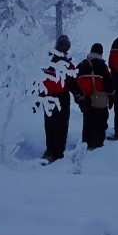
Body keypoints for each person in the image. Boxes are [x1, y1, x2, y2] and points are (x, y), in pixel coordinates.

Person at [37, 34, 77, 162]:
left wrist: (39, 95)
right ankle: (58, 153)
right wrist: (80, 95)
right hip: (62, 97)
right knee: (61, 125)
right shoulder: (67, 64)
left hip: (47, 97)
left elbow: (40, 79)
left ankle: (49, 150)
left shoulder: (46, 61)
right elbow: (72, 82)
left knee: (49, 124)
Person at [73, 42, 115, 149]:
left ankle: (86, 145)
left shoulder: (82, 64)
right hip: (99, 99)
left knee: (87, 123)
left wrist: (78, 97)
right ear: (101, 53)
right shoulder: (102, 66)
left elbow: (73, 80)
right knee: (100, 123)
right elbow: (109, 83)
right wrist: (111, 97)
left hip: (85, 100)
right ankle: (97, 147)